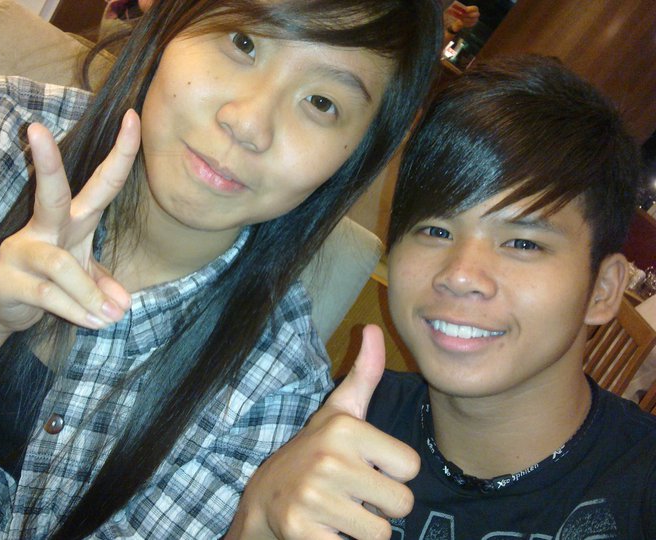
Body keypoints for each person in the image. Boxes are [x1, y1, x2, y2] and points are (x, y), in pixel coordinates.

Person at [0, 0, 443, 537]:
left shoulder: (273, 390)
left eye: (320, 102)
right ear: (173, 21)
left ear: (353, 158)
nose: (248, 124)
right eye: (244, 42)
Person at [228, 55, 656, 539]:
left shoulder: (640, 489)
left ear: (602, 289)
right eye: (435, 230)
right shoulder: (336, 427)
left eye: (522, 243)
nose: (460, 275)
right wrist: (257, 519)